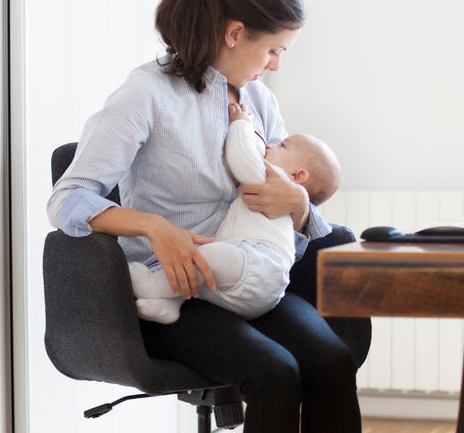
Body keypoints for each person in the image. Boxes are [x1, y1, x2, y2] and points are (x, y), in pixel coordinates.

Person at [47, 0, 361, 433]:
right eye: (275, 49)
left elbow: (286, 198)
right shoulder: (144, 95)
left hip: (253, 279)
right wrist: (153, 227)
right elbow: (68, 198)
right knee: (275, 374)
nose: (277, 64)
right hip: (179, 288)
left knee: (331, 361)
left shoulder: (259, 101)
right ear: (236, 33)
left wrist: (302, 209)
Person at [129, 101, 341, 324]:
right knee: (204, 270)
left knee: (206, 258)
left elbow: (242, 158)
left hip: (259, 263)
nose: (270, 145)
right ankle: (168, 304)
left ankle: (151, 284)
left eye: (282, 146)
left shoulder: (273, 178)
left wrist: (241, 124)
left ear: (296, 176)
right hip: (238, 288)